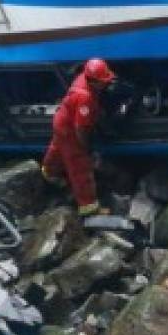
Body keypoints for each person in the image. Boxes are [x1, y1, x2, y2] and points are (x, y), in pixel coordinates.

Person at [42, 57, 115, 217]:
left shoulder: (82, 78)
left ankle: (49, 172)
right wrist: (85, 146)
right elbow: (80, 128)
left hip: (61, 122)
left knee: (57, 150)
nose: (105, 84)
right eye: (103, 81)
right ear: (94, 81)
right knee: (80, 168)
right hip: (71, 132)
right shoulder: (85, 98)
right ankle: (89, 207)